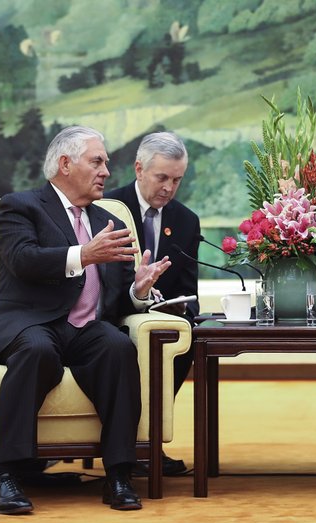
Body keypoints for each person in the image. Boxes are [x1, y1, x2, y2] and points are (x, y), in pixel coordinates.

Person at [0, 126, 170, 515]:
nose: (105, 171)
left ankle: (119, 474)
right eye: (97, 161)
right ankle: (4, 475)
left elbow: (114, 301)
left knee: (118, 346)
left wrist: (138, 290)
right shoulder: (21, 206)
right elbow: (23, 260)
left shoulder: (107, 221)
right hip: (30, 324)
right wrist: (82, 255)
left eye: (106, 163)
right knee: (36, 350)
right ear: (65, 164)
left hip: (84, 330)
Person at [105, 131, 199, 476]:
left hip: (160, 319)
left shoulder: (187, 221)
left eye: (177, 180)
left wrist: (181, 308)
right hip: (112, 312)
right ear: (139, 168)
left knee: (184, 334)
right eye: (162, 178)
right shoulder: (107, 210)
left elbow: (190, 289)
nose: (169, 188)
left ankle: (148, 441)